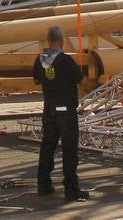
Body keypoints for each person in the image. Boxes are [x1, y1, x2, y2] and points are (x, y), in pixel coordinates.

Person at [33, 26, 88, 202]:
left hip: (49, 109)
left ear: (48, 40)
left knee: (47, 146)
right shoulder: (65, 60)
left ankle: (43, 185)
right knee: (69, 149)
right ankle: (71, 189)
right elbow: (81, 80)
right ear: (61, 41)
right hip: (66, 109)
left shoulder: (40, 59)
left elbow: (36, 80)